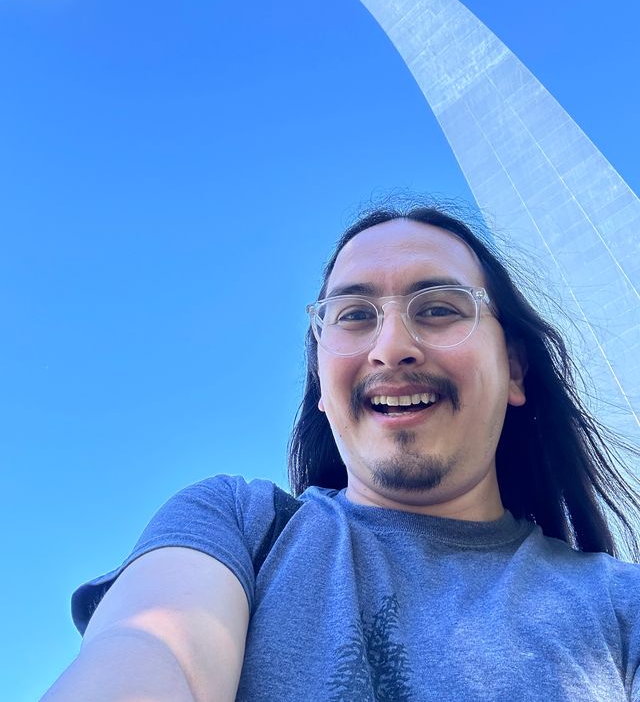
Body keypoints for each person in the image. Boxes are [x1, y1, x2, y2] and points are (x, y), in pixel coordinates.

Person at [43, 200, 640, 702]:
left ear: (513, 368)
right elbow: (151, 647)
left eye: (438, 308)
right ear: (322, 390)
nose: (392, 347)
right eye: (354, 315)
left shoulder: (621, 605)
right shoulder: (235, 526)